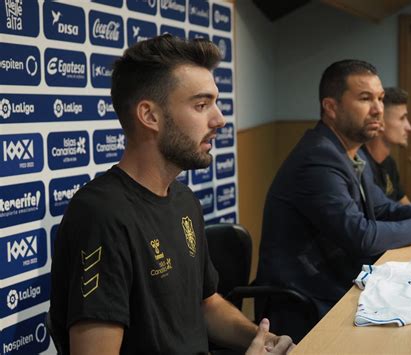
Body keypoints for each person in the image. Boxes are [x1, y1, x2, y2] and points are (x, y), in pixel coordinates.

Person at [49, 35, 293, 354]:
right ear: (150, 116)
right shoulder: (101, 215)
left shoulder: (183, 199)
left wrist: (260, 340)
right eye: (201, 105)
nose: (219, 119)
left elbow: (205, 304)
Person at [256, 59, 411, 342]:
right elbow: (360, 235)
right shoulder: (318, 159)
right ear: (331, 107)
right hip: (306, 302)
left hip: (339, 284)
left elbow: (382, 208)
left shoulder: (352, 152)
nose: (378, 109)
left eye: (380, 98)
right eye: (365, 98)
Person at [362, 87, 411, 204]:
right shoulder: (361, 167)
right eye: (402, 118)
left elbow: (404, 204)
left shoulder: (389, 163)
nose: (409, 127)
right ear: (380, 123)